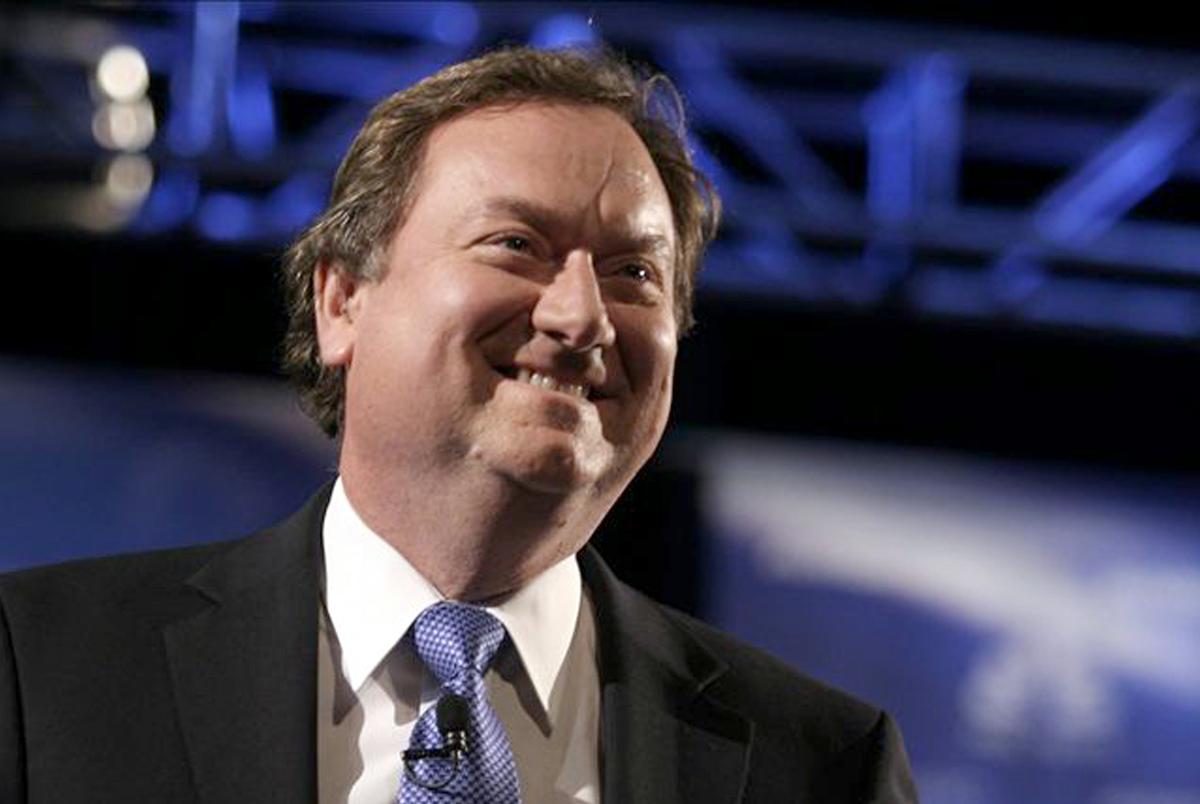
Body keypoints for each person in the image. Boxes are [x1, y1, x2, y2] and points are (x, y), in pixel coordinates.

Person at [0, 46, 918, 803]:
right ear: (342, 302)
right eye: (516, 246)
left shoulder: (824, 767)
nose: (580, 317)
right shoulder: (39, 672)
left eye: (634, 274)